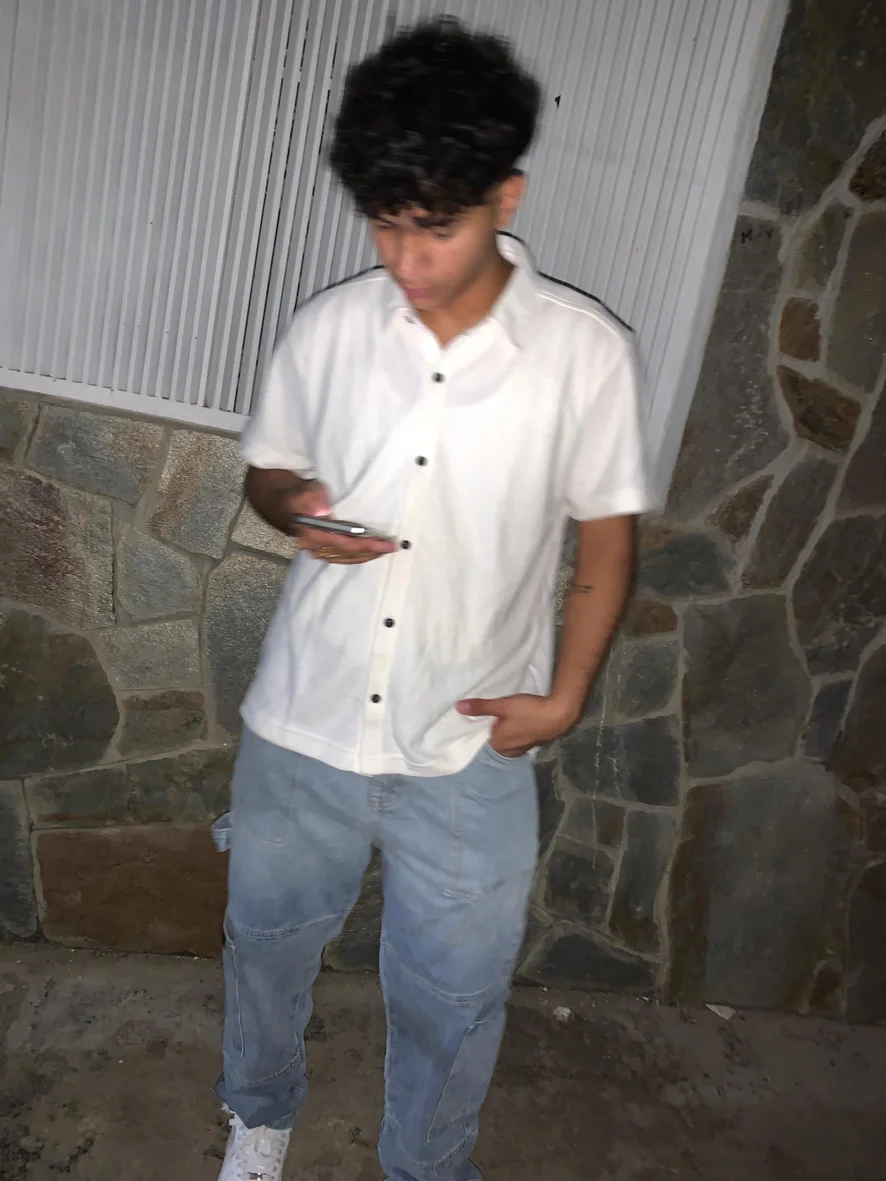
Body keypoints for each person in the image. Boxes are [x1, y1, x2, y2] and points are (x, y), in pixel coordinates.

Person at [215, 16, 652, 1181]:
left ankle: (425, 1168)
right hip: (304, 720)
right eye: (384, 222)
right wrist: (295, 506)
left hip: (468, 739)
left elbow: (607, 536)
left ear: (505, 198)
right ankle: (257, 1115)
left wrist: (566, 694)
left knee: (454, 998)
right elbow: (267, 469)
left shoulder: (585, 354)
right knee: (265, 945)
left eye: (436, 226)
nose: (406, 259)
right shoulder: (327, 328)